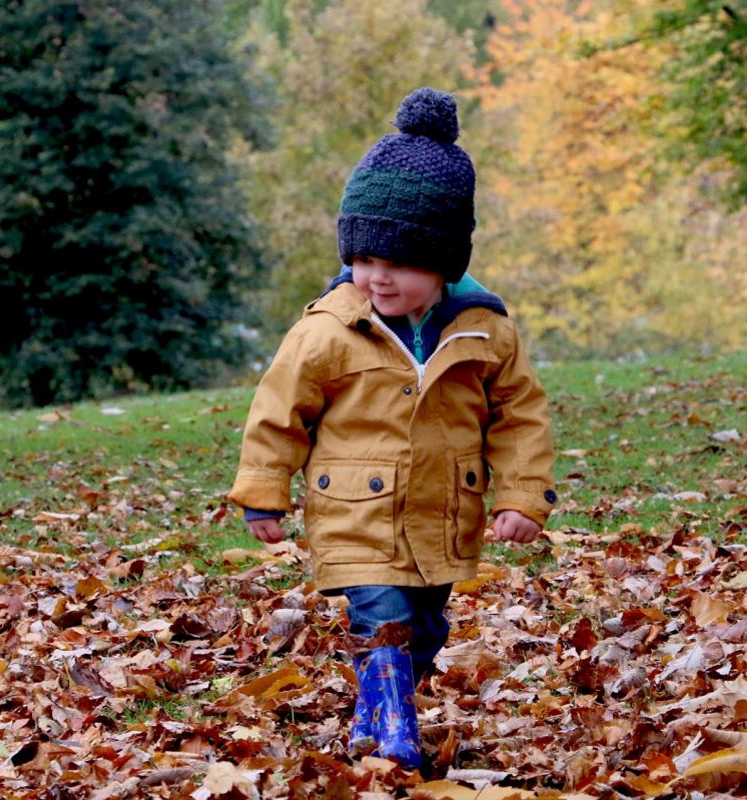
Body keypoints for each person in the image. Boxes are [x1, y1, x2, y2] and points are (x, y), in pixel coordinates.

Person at [227, 87, 556, 770]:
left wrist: (523, 496)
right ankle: (398, 736)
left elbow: (519, 415)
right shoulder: (329, 329)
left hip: (442, 516)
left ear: (443, 262)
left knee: (426, 629)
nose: (377, 277)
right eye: (365, 259)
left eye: (399, 263)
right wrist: (263, 489)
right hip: (355, 512)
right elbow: (280, 408)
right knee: (384, 619)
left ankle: (373, 715)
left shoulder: (485, 331)